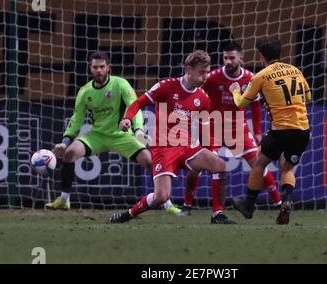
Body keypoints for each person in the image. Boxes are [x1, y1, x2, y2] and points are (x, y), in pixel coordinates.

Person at [110, 50, 236, 224]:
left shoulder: (203, 98)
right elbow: (138, 102)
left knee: (219, 165)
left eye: (207, 72)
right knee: (161, 197)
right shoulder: (166, 86)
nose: (205, 76)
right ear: (189, 69)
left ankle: (218, 214)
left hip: (186, 146)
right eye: (202, 72)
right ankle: (128, 214)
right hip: (164, 147)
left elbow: (204, 127)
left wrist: (209, 151)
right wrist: (127, 118)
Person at [47, 51, 181, 216]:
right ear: (90, 69)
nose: (99, 70)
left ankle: (167, 204)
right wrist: (65, 142)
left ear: (108, 68)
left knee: (150, 162)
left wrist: (138, 129)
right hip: (97, 135)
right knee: (70, 153)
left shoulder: (121, 84)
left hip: (121, 136)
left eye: (102, 67)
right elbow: (77, 119)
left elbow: (135, 106)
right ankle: (64, 199)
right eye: (95, 67)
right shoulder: (85, 91)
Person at [182, 43, 281, 217]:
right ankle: (187, 205)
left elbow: (256, 106)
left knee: (259, 164)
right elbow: (196, 95)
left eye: (232, 58)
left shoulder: (251, 79)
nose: (228, 61)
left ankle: (279, 203)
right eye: (225, 58)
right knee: (196, 167)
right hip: (212, 128)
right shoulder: (212, 77)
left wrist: (257, 131)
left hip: (238, 129)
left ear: (241, 59)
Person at [229, 37, 311, 225]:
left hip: (280, 131)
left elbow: (241, 103)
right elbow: (308, 96)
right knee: (287, 167)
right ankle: (287, 199)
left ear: (260, 55)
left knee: (259, 163)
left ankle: (248, 205)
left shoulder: (261, 76)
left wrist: (235, 90)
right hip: (302, 130)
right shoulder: (295, 71)